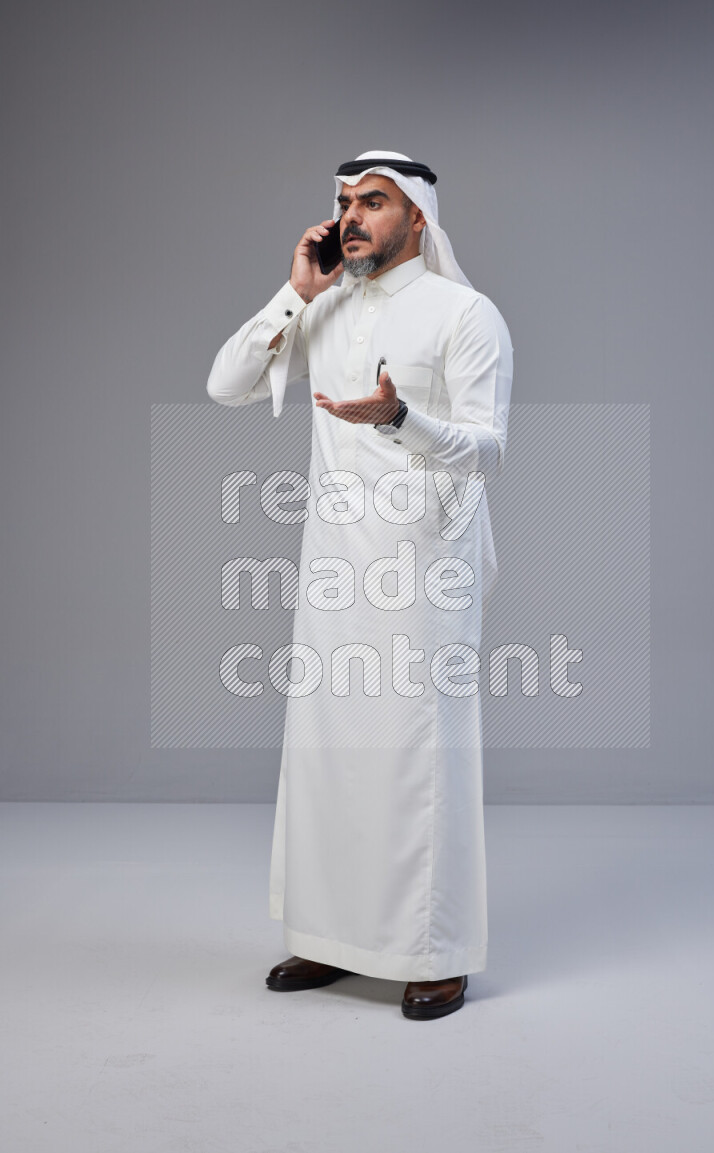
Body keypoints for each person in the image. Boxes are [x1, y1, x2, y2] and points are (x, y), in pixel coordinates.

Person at [206, 150, 513, 1019]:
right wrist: (296, 292)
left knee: (422, 759)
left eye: (372, 202)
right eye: (344, 202)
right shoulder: (327, 306)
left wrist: (403, 419)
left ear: (417, 216)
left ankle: (436, 950)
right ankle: (330, 938)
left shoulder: (467, 314)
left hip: (425, 568)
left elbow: (492, 449)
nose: (352, 217)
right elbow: (225, 382)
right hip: (335, 569)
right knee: (330, 755)